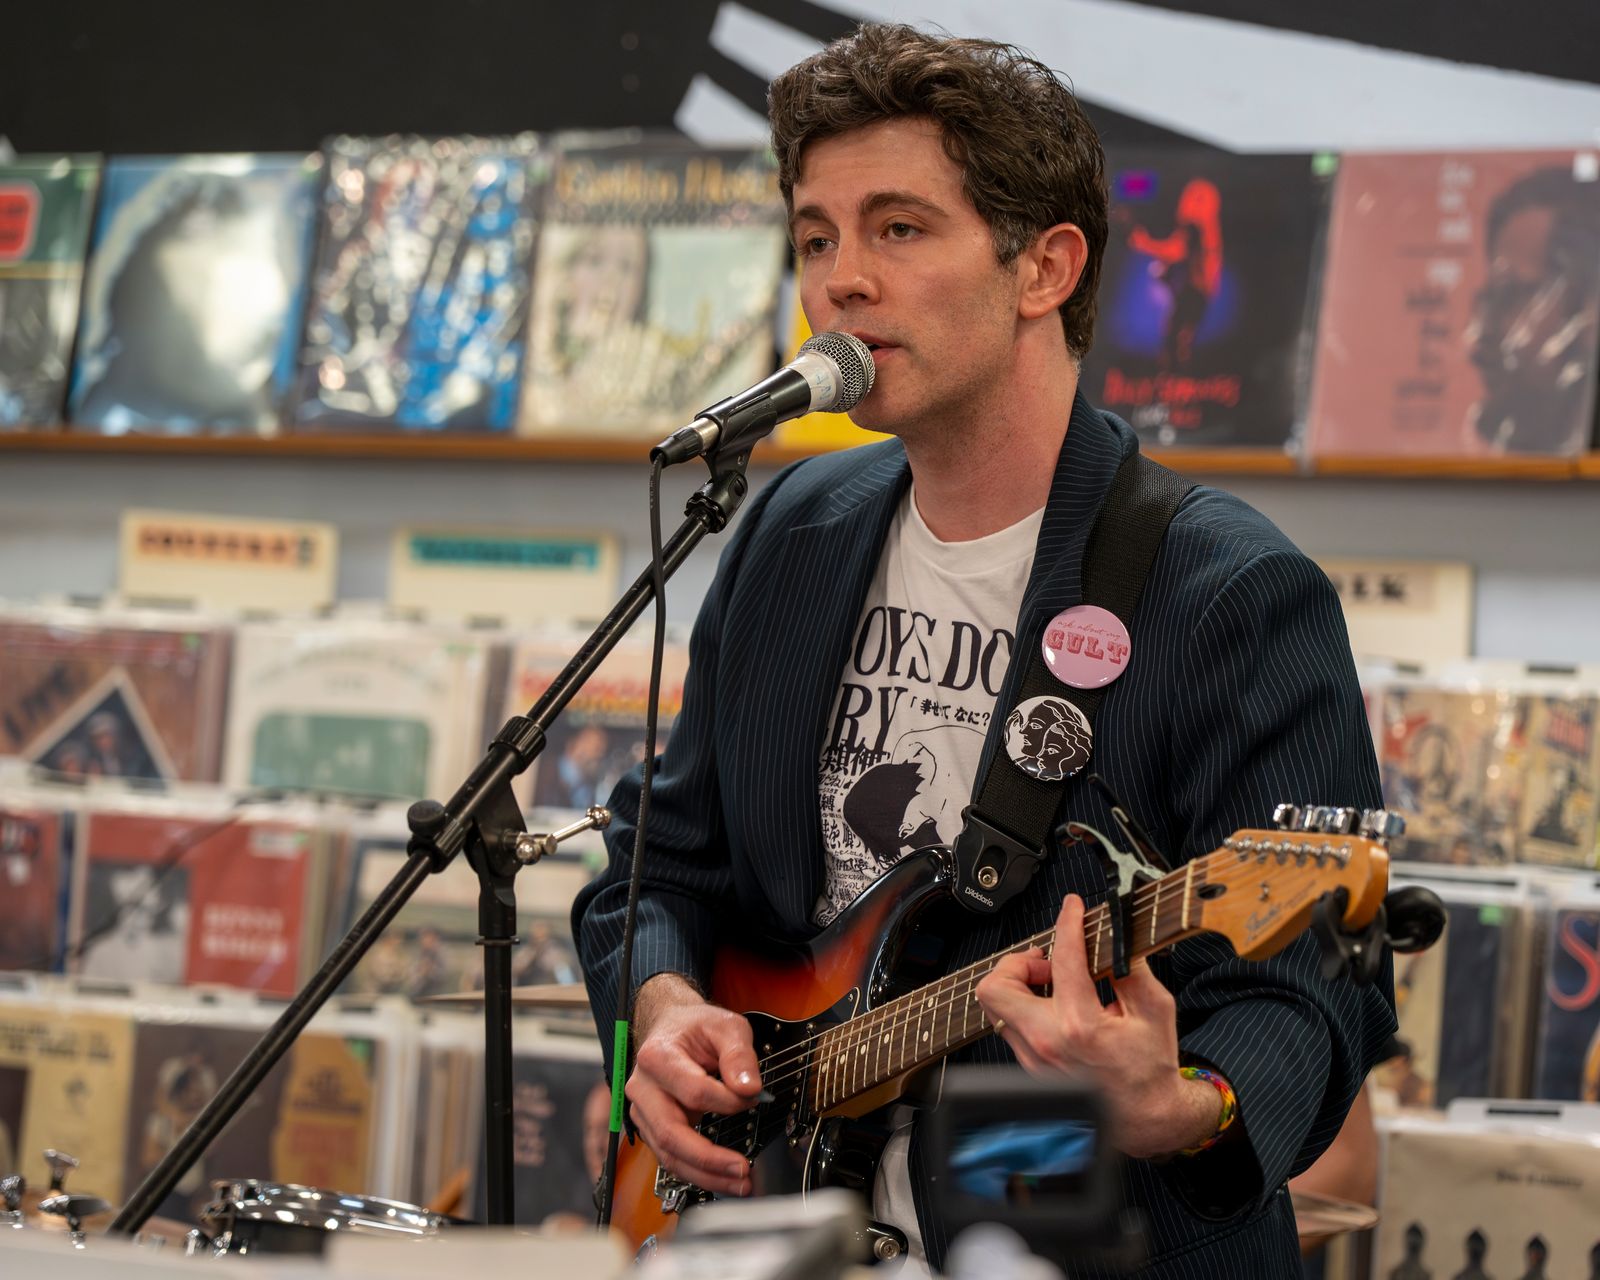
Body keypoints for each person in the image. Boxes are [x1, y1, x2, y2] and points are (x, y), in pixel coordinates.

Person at [573, 23, 1394, 1274]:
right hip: (774, 1221)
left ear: (1043, 267)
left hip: (1080, 1236)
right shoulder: (792, 527)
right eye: (815, 237)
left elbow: (1318, 985)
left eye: (898, 228)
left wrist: (1182, 1103)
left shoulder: (1229, 590)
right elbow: (660, 857)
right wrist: (666, 1003)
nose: (841, 281)